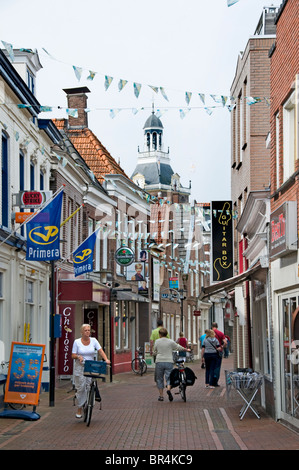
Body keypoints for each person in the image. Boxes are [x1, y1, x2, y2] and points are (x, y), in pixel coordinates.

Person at [72, 324, 110, 419]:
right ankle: (80, 407)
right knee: (81, 388)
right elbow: (73, 355)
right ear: (81, 332)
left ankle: (89, 404)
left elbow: (100, 351)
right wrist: (78, 356)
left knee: (89, 386)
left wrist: (106, 359)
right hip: (80, 367)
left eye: (89, 330)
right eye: (85, 330)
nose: (88, 332)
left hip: (90, 367)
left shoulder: (93, 341)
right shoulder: (77, 342)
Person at [153, 328, 190, 401]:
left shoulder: (157, 341)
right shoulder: (170, 341)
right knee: (169, 377)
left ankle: (161, 396)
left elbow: (154, 351)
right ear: (166, 334)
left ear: (160, 334)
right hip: (169, 361)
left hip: (159, 361)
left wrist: (155, 354)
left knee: (159, 379)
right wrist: (186, 349)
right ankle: (169, 390)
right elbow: (178, 347)